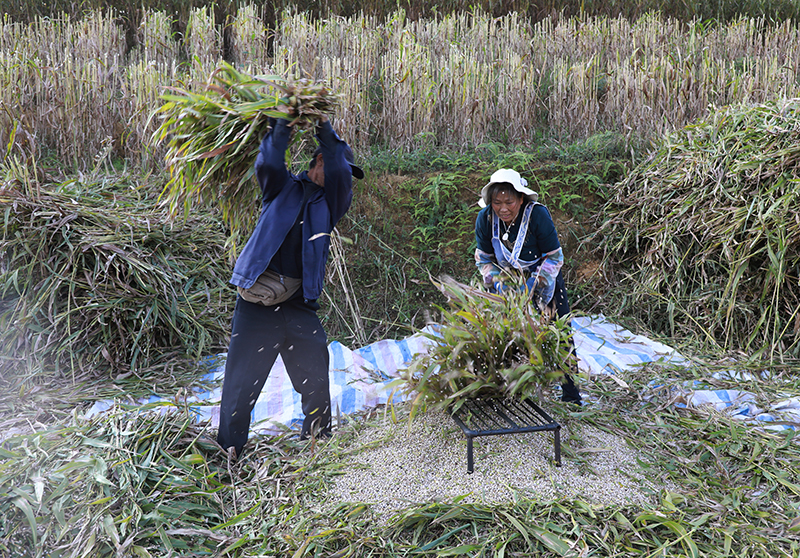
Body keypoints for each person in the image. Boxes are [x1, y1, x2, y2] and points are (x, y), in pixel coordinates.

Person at [216, 111, 364, 459]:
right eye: (331, 166)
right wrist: (283, 124)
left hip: (298, 303)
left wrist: (324, 127)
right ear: (316, 161)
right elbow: (269, 159)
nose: (343, 180)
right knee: (240, 383)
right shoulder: (280, 188)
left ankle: (317, 441)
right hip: (256, 306)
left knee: (315, 374)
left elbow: (341, 173)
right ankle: (230, 449)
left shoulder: (331, 203)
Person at [474, 168, 582, 404]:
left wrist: (535, 282)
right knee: (506, 333)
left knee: (559, 333)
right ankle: (509, 388)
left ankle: (571, 394)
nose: (503, 208)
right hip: (507, 284)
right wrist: (499, 283)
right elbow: (483, 259)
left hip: (545, 279)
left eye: (509, 202)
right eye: (497, 202)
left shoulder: (537, 216)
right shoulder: (485, 219)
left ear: (521, 199)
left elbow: (554, 257)